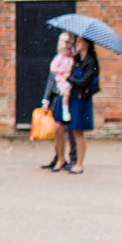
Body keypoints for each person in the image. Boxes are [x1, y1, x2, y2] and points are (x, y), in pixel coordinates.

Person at [60, 35, 100, 174]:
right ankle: (75, 161)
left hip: (82, 99)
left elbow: (84, 82)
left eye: (79, 41)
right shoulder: (77, 59)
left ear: (86, 43)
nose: (76, 43)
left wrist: (69, 78)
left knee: (79, 132)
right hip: (74, 98)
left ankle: (79, 164)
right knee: (73, 130)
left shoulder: (91, 61)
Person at [43, 31, 76, 172]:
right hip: (57, 96)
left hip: (69, 95)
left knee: (71, 130)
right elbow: (51, 80)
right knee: (57, 130)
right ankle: (59, 157)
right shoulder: (58, 59)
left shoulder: (74, 59)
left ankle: (73, 158)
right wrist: (46, 99)